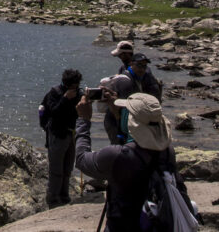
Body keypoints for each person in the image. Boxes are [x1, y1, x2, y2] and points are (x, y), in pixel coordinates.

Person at [75, 93, 189, 231]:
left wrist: (83, 120)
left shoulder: (117, 156)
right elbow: (136, 145)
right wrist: (118, 117)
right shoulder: (167, 151)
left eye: (126, 113)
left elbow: (81, 159)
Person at [103, 42, 163, 145]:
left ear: (128, 56)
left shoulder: (146, 76)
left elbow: (155, 98)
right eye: (139, 65)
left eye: (143, 66)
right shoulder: (123, 71)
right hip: (125, 115)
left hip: (133, 115)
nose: (142, 69)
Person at [41, 69, 83, 208]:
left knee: (68, 168)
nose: (75, 88)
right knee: (56, 169)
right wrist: (65, 98)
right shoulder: (55, 93)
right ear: (66, 84)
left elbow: (79, 113)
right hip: (57, 134)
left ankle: (64, 196)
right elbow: (54, 112)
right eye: (73, 85)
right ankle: (53, 199)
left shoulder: (78, 93)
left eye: (77, 85)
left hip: (71, 134)